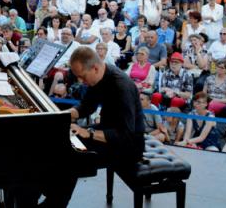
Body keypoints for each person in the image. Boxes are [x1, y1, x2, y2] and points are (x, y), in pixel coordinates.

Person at [22, 47, 143, 207]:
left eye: (82, 76)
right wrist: (61, 116)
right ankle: (35, 192)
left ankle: (53, 201)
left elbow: (126, 135)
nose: (80, 81)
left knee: (71, 157)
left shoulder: (122, 87)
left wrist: (88, 133)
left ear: (95, 68)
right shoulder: (99, 77)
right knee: (58, 141)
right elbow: (87, 106)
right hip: (108, 131)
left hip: (128, 146)